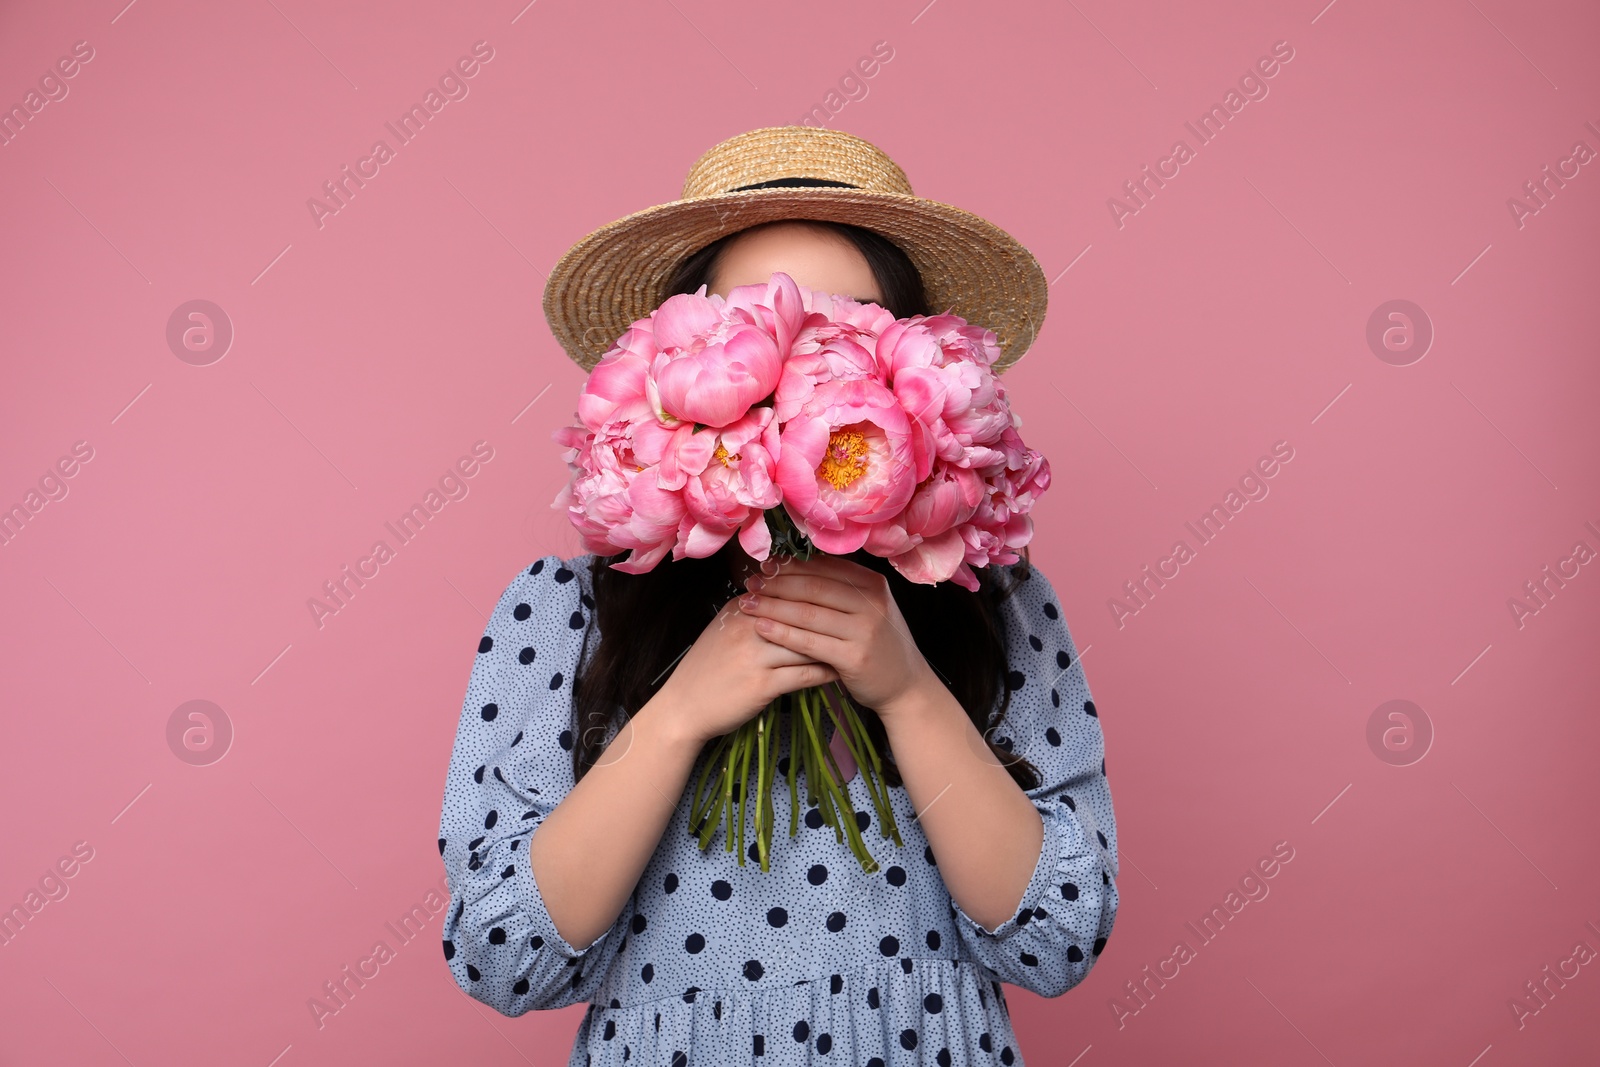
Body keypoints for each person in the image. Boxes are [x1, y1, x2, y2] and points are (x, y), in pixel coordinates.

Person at [438, 126, 1118, 1066]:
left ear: (914, 373)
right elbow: (502, 955)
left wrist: (909, 691)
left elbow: (1056, 938)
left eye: (844, 335)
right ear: (678, 369)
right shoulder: (564, 612)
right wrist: (679, 712)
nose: (802, 379)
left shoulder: (993, 600)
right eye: (755, 327)